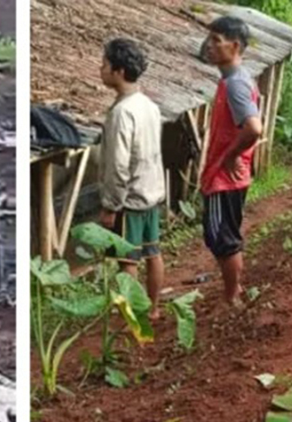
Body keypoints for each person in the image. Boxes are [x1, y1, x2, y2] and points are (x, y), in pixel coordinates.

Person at [98, 38, 166, 319]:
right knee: (153, 253)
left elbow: (118, 165)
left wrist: (110, 205)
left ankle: (132, 317)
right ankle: (154, 309)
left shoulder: (121, 113)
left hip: (130, 199)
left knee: (128, 261)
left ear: (119, 72)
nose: (100, 69)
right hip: (152, 193)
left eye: (104, 65)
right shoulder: (149, 106)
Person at [200, 16, 263, 307]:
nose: (209, 46)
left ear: (235, 46)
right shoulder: (235, 78)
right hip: (231, 175)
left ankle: (232, 296)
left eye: (216, 40)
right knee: (226, 235)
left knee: (222, 238)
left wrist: (229, 156)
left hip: (225, 176)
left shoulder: (236, 83)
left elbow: (253, 128)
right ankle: (234, 291)